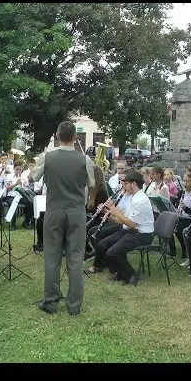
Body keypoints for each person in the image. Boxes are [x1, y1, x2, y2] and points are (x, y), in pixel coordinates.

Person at [31, 121, 95, 316]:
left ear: (57, 136)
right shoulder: (85, 160)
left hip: (54, 211)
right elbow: (91, 183)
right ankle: (74, 305)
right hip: (76, 212)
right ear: (75, 137)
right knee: (75, 258)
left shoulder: (47, 157)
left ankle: (51, 302)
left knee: (52, 257)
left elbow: (34, 177)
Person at [93, 170, 154, 285]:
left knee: (112, 252)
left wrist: (115, 211)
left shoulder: (141, 200)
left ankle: (130, 276)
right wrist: (109, 215)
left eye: (126, 184)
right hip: (130, 231)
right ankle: (120, 272)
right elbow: (124, 221)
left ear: (133, 184)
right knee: (103, 244)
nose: (124, 186)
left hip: (142, 235)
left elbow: (132, 224)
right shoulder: (134, 197)